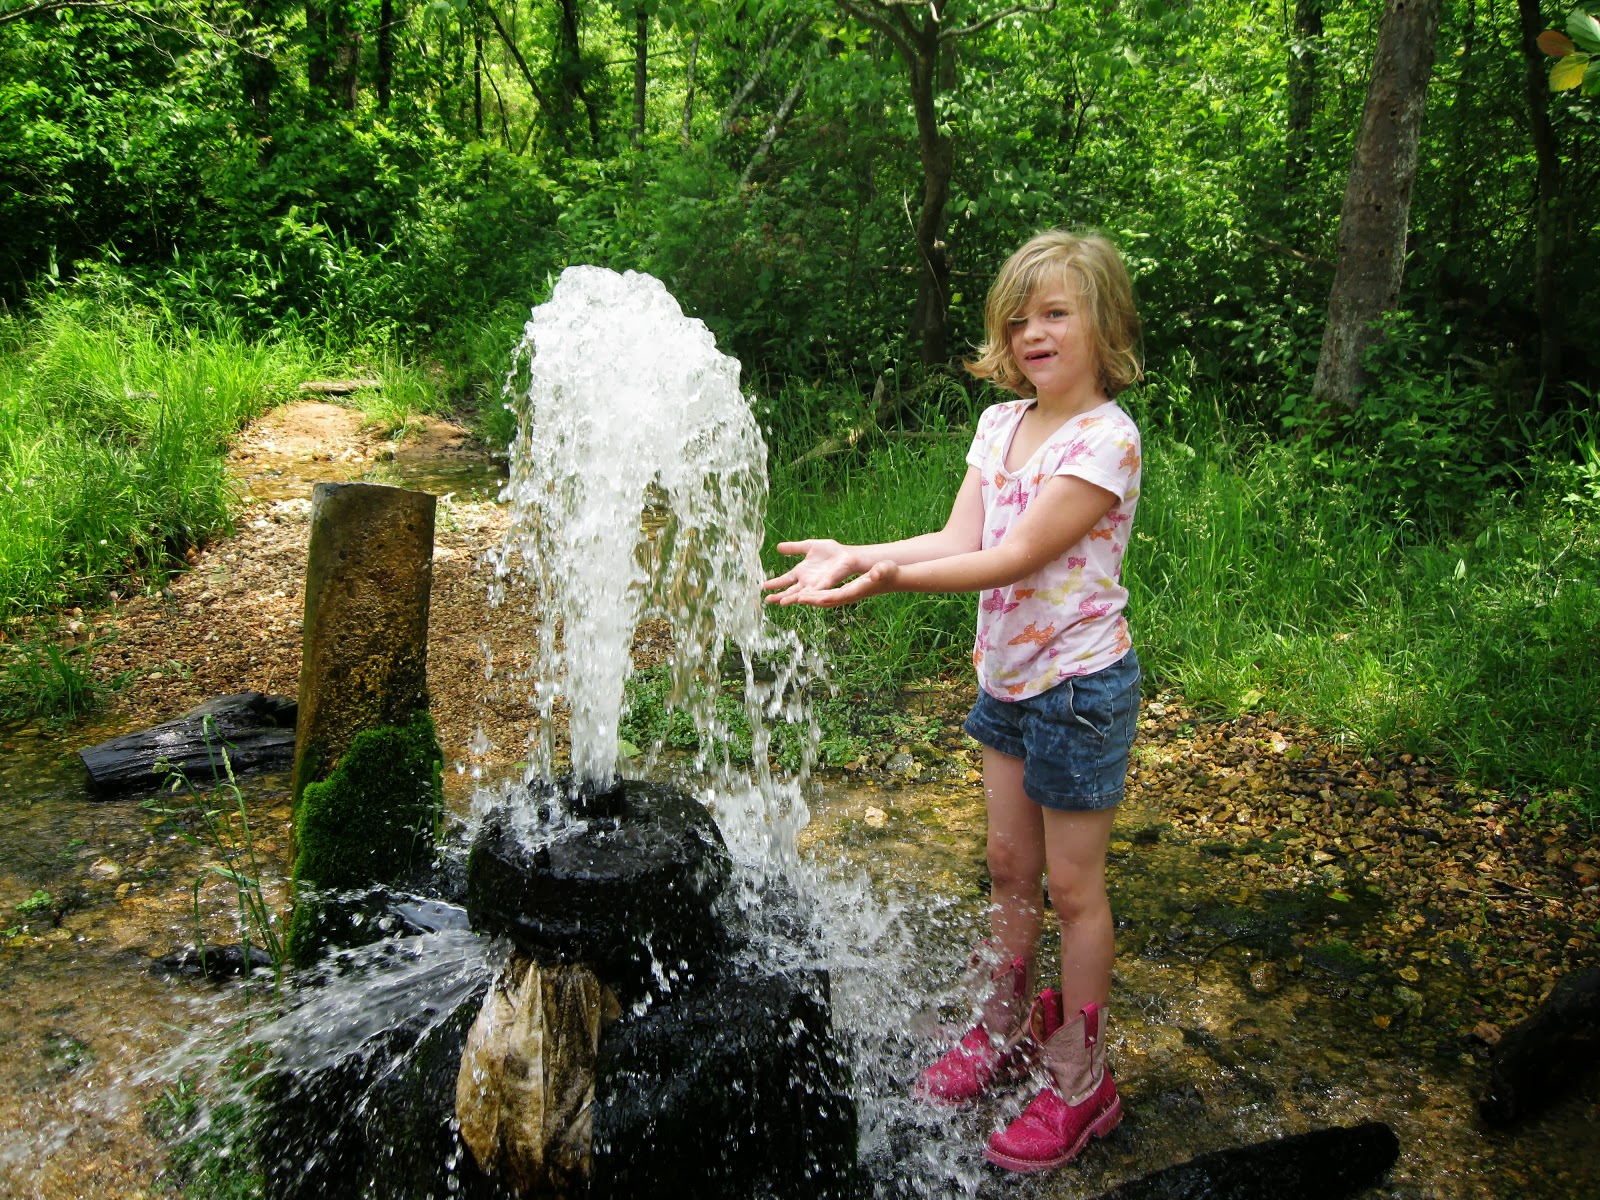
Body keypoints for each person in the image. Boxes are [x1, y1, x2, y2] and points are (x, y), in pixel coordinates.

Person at [762, 229, 1143, 1174]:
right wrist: (861, 550)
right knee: (1010, 866)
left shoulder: (1108, 440)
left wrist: (884, 581)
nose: (1033, 332)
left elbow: (1018, 557)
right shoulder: (1000, 426)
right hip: (1006, 682)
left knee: (1071, 888)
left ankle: (1082, 1079)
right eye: (1018, 318)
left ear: (1104, 323)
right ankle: (1003, 1022)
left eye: (1056, 312)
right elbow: (959, 534)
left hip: (1080, 687)